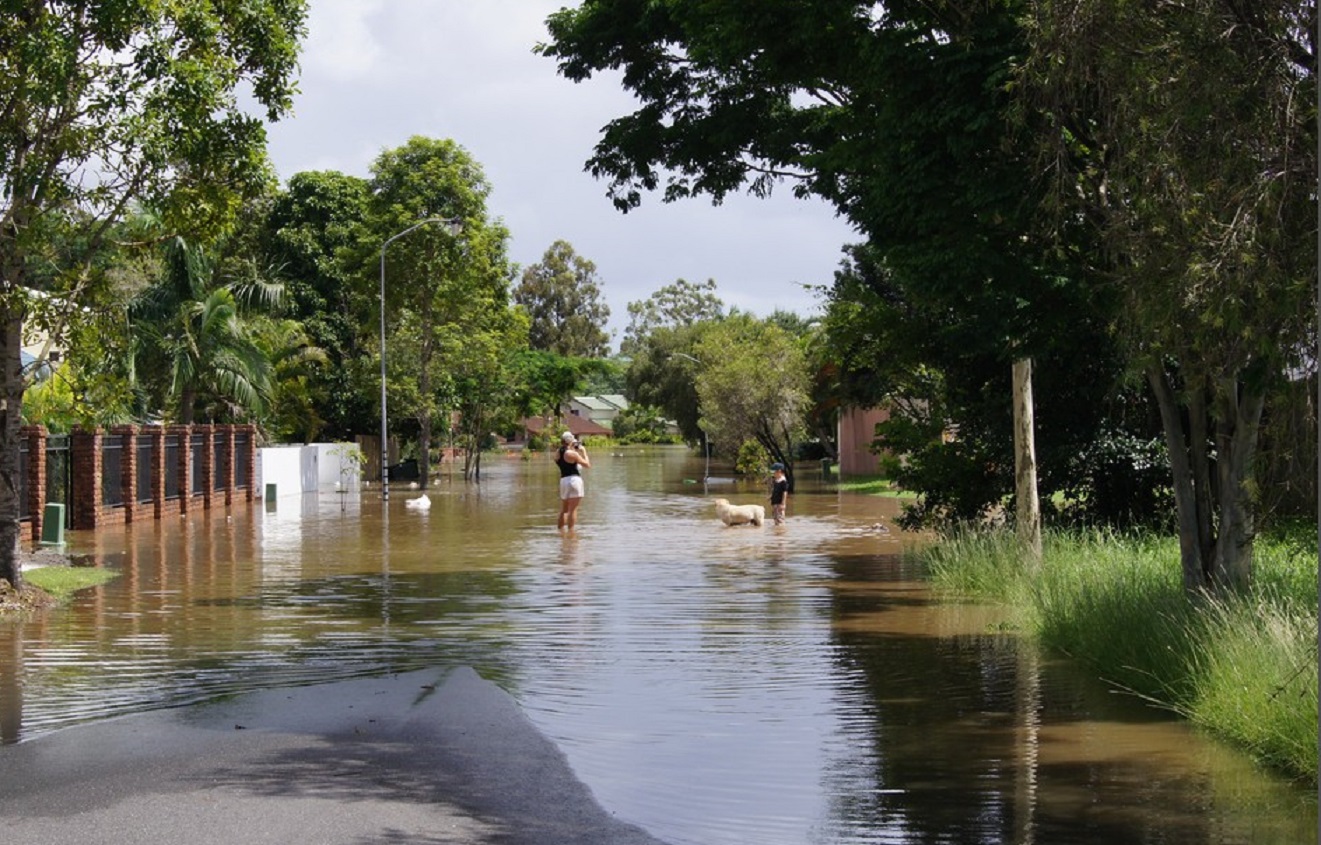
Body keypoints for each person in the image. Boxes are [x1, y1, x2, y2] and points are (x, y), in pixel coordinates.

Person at [554, 430, 591, 530]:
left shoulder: (558, 453)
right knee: (573, 510)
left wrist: (572, 449)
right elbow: (587, 465)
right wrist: (584, 453)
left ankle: (560, 531)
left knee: (564, 510)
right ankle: (571, 533)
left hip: (563, 481)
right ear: (570, 441)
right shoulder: (572, 454)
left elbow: (565, 460)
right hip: (574, 480)